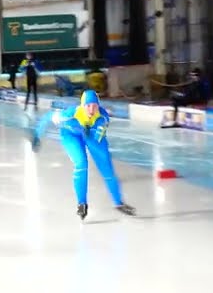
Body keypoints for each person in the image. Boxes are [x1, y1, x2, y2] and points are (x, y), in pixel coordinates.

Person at [30, 90, 136, 221]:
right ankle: (82, 203)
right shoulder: (69, 115)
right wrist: (37, 136)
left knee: (107, 168)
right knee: (81, 164)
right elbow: (47, 118)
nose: (91, 109)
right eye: (88, 105)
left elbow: (98, 138)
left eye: (95, 105)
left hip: (91, 136)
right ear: (82, 106)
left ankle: (119, 203)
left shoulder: (103, 118)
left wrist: (89, 134)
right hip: (70, 135)